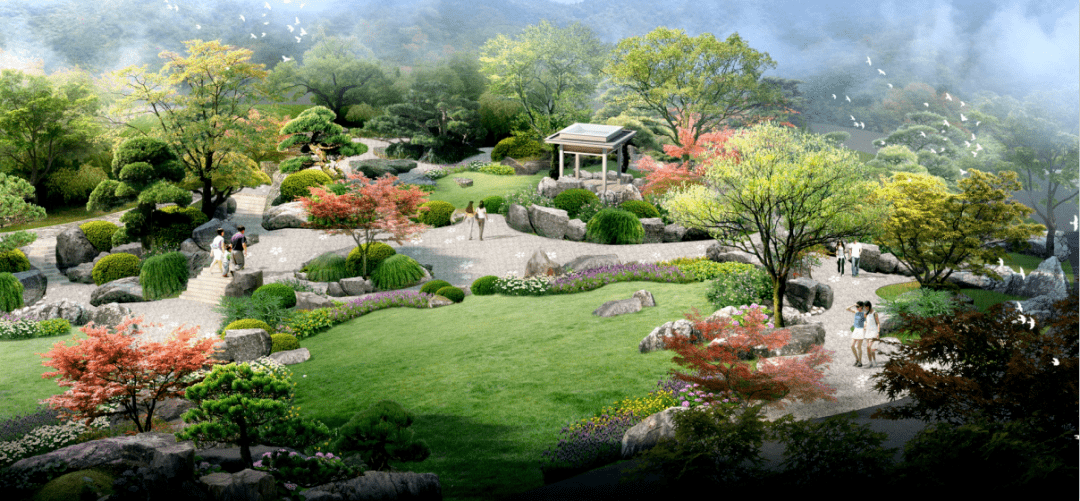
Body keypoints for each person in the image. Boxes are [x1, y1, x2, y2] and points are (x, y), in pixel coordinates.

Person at [847, 301, 867, 367]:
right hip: (855, 330)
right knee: (852, 346)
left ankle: (860, 362)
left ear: (861, 307)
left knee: (859, 347)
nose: (857, 308)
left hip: (860, 330)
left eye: (858, 306)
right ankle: (857, 359)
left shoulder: (864, 314)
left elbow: (867, 321)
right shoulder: (856, 312)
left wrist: (865, 326)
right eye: (856, 307)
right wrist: (853, 304)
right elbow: (847, 309)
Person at [864, 301, 881, 368]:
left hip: (874, 332)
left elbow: (878, 323)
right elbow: (866, 322)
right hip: (868, 332)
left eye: (866, 307)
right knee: (869, 348)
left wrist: (878, 333)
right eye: (865, 307)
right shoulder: (867, 314)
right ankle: (871, 362)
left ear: (869, 306)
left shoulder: (875, 313)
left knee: (869, 346)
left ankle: (873, 362)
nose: (865, 308)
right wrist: (865, 326)